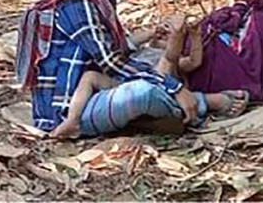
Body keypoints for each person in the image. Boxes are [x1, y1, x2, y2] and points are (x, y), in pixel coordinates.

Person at [16, 0, 249, 138]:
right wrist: (173, 87)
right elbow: (111, 61)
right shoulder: (78, 0)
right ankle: (203, 101)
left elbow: (112, 50)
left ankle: (158, 115)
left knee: (155, 60)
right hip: (68, 109)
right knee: (144, 93)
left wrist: (152, 39)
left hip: (94, 85)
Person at [50, 16, 207, 139]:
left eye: (169, 37)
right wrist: (152, 33)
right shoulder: (141, 50)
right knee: (90, 76)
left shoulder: (173, 59)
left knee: (167, 62)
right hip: (125, 79)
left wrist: (194, 37)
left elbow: (194, 62)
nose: (163, 38)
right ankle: (73, 119)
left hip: (159, 83)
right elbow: (126, 44)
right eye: (163, 36)